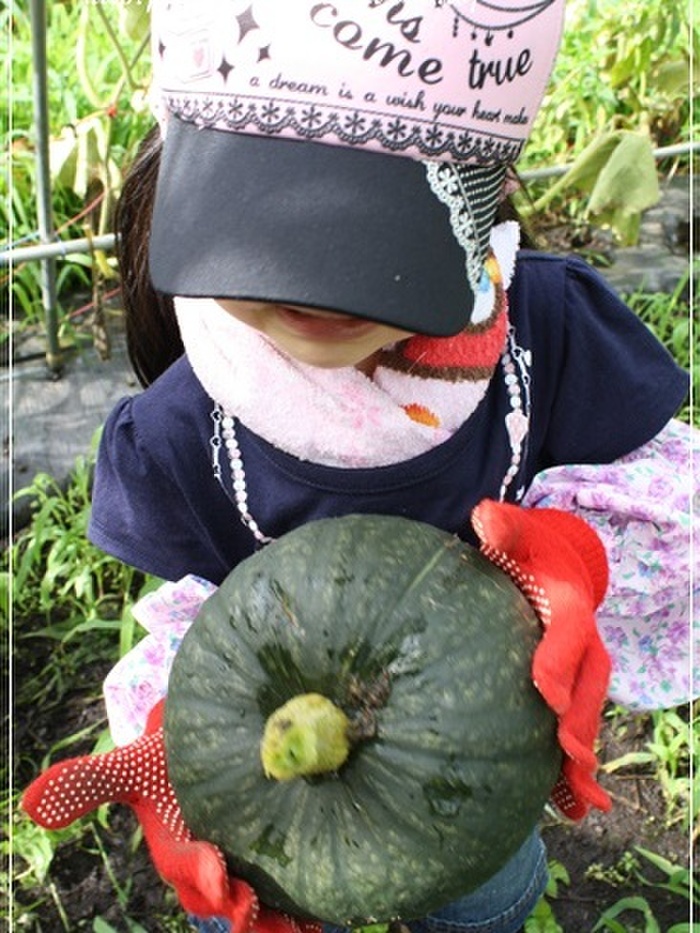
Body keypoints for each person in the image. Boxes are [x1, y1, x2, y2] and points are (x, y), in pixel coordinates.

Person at [28, 1, 699, 931]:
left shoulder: (547, 336)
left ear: (479, 196)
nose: (320, 288)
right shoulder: (181, 431)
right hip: (285, 819)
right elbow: (197, 612)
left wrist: (575, 556)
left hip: (474, 774)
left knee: (488, 899)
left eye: (374, 239)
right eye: (272, 229)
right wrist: (182, 737)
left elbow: (666, 500)